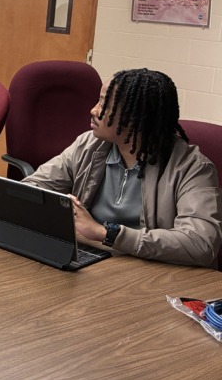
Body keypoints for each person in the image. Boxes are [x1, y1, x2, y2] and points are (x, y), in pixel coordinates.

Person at [25, 68, 221, 267]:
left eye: (104, 103)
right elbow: (32, 186)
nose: (93, 110)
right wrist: (56, 206)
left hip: (152, 270)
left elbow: (201, 243)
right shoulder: (89, 144)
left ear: (135, 116)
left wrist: (106, 233)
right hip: (93, 257)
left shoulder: (193, 168)